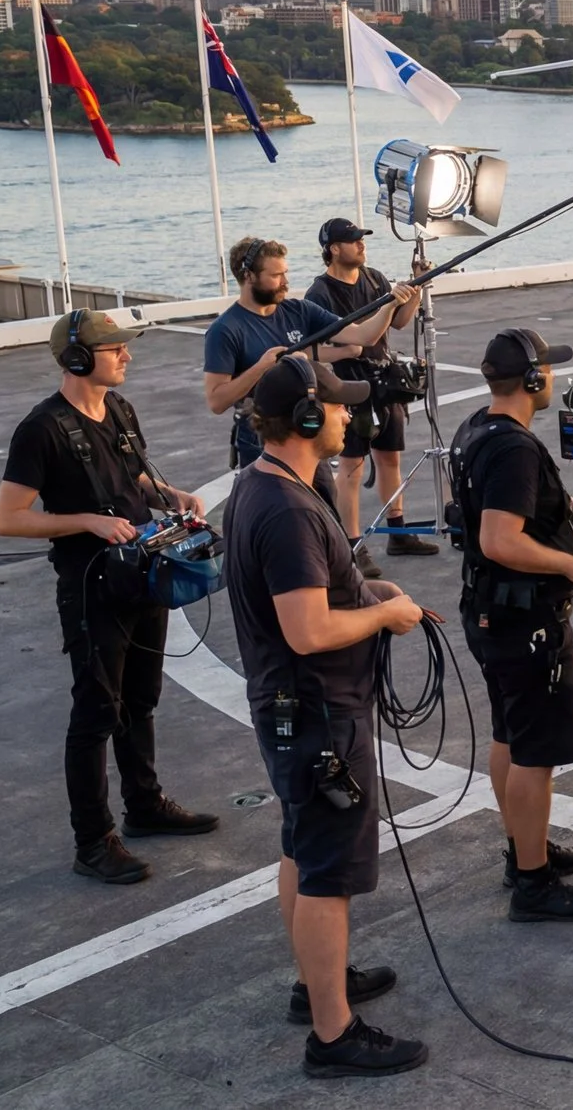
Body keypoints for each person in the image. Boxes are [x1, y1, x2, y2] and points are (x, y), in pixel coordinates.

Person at [222, 356, 430, 1077]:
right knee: (327, 871)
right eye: (339, 407)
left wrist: (368, 591)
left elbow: (315, 593)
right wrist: (389, 614)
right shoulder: (285, 509)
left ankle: (317, 982)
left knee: (300, 846)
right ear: (308, 418)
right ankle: (333, 1033)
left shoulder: (267, 484)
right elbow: (307, 629)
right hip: (316, 715)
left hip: (296, 711)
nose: (350, 417)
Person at [0, 310, 218, 885]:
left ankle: (144, 806)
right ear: (76, 358)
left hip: (142, 574)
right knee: (96, 713)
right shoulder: (40, 430)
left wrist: (172, 493)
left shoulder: (119, 409)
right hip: (93, 587)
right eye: (114, 347)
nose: (126, 355)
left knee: (141, 698)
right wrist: (88, 522)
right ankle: (92, 841)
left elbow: (133, 478)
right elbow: (8, 519)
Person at [450, 329, 573, 919]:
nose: (552, 376)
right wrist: (570, 563)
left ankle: (522, 849)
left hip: (490, 614)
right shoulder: (515, 449)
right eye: (546, 368)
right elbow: (499, 538)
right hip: (525, 621)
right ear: (531, 379)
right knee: (534, 756)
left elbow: (517, 504)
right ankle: (533, 883)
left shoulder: (478, 427)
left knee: (510, 736)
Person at [205, 235, 418, 474]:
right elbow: (217, 401)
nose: (285, 281)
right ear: (248, 276)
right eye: (276, 275)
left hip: (308, 429)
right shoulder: (224, 330)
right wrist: (262, 367)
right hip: (262, 441)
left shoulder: (299, 310)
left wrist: (390, 305)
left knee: (321, 503)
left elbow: (363, 336)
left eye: (285, 273)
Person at [304, 217, 438, 566]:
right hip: (346, 388)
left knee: (390, 457)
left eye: (361, 239)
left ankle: (398, 532)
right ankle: (352, 544)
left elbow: (398, 321)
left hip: (383, 382)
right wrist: (350, 351)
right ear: (334, 249)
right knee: (351, 466)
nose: (361, 245)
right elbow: (314, 348)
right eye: (353, 240)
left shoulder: (374, 277)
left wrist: (417, 287)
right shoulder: (320, 294)